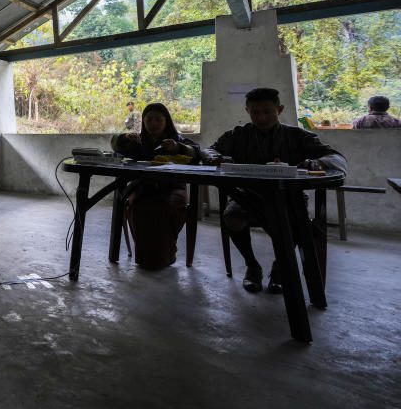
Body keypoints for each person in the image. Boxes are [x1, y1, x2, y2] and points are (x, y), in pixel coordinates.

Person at [200, 87, 347, 294]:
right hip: (247, 196)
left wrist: (318, 163)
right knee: (231, 218)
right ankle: (252, 266)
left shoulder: (296, 135)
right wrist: (214, 158)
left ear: (280, 109)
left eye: (267, 112)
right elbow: (208, 149)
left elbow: (337, 158)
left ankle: (280, 268)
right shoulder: (238, 135)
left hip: (289, 198)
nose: (261, 118)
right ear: (247, 111)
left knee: (296, 223)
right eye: (254, 113)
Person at [110, 103, 200, 269]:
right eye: (149, 119)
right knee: (137, 205)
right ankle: (147, 256)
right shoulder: (136, 140)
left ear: (166, 121)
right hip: (142, 188)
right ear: (143, 121)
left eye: (158, 119)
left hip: (173, 189)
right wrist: (125, 138)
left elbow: (195, 152)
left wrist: (177, 148)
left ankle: (165, 254)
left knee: (166, 207)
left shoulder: (176, 140)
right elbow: (115, 145)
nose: (153, 123)